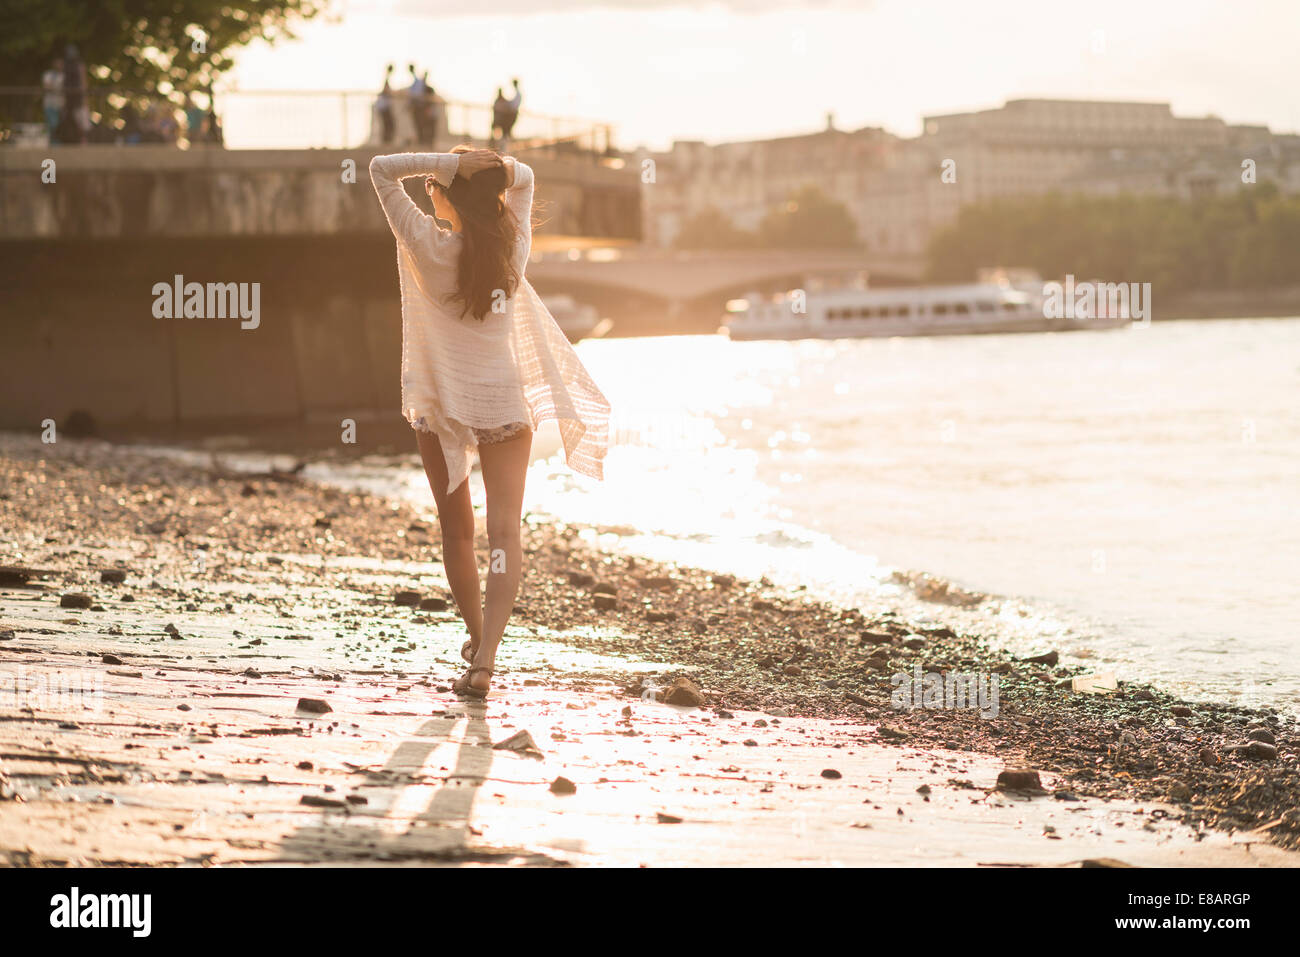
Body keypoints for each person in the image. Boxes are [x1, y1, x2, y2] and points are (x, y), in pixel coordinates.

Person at [368, 146, 610, 698]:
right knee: (505, 533)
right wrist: (489, 166)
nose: (429, 189)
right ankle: (486, 660)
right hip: (504, 404)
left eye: (434, 183)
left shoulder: (425, 243)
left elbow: (381, 168)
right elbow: (525, 181)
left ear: (444, 189)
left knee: (456, 529)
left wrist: (445, 164)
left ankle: (476, 639)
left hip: (442, 405)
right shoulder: (511, 250)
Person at [41, 58, 64, 144]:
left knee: (58, 124)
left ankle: (57, 142)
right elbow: (46, 87)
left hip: (60, 104)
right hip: (49, 103)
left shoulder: (63, 76)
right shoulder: (48, 75)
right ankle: (52, 142)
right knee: (52, 124)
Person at [376, 64, 395, 144]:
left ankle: (387, 140)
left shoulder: (386, 79)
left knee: (388, 124)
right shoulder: (386, 80)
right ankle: (386, 141)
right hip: (384, 107)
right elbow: (385, 91)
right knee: (388, 124)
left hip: (384, 106)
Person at [500, 77, 522, 150]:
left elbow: (513, 105)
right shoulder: (517, 93)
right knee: (507, 132)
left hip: (511, 114)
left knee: (506, 132)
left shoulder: (518, 94)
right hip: (511, 114)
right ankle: (506, 147)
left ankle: (507, 148)